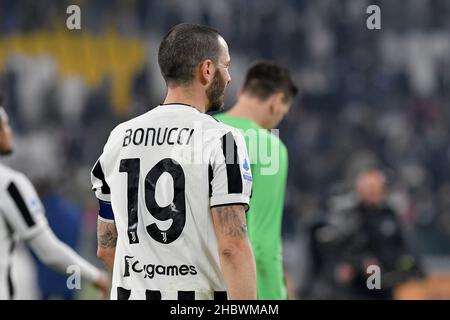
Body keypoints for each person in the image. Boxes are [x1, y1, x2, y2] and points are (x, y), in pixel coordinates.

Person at [91, 23, 256, 300]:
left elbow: (107, 248)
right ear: (207, 70)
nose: (228, 77)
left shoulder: (118, 138)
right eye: (225, 66)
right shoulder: (224, 139)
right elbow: (232, 247)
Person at [0, 105, 109, 300]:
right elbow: (55, 250)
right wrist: (92, 278)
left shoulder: (47, 208)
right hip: (63, 279)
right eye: (5, 126)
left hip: (45, 283)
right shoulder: (11, 186)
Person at [214, 61, 298, 299]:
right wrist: (273, 296)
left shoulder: (201, 131)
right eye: (283, 113)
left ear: (241, 92)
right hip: (238, 287)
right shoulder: (268, 146)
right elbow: (262, 241)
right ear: (276, 103)